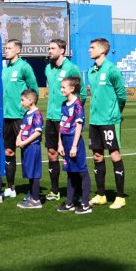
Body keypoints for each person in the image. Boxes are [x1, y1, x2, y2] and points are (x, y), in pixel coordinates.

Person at [86, 37, 127, 209]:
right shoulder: (91, 71)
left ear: (102, 50)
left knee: (115, 155)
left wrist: (114, 113)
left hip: (109, 120)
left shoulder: (112, 69)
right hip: (94, 120)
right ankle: (101, 194)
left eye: (92, 47)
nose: (89, 50)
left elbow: (121, 95)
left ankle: (120, 197)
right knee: (97, 156)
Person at [1, 39, 38, 199]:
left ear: (17, 50)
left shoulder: (24, 67)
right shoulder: (5, 68)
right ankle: (10, 187)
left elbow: (34, 89)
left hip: (21, 117)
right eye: (5, 48)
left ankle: (32, 189)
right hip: (7, 116)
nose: (6, 50)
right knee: (9, 152)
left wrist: (29, 111)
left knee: (26, 153)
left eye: (9, 48)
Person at [43, 39, 81, 201]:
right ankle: (55, 190)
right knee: (52, 153)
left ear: (62, 50)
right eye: (49, 48)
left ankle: (76, 192)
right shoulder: (48, 68)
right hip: (51, 117)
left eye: (52, 48)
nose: (49, 51)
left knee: (69, 155)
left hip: (67, 119)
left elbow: (82, 94)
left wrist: (72, 114)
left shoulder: (72, 68)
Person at [57, 76, 92, 215]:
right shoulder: (64, 105)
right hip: (65, 141)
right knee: (70, 172)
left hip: (73, 141)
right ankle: (70, 202)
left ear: (72, 89)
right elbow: (62, 124)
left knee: (82, 171)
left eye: (63, 87)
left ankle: (85, 203)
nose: (61, 89)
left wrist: (74, 146)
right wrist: (60, 143)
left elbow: (78, 126)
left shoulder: (77, 106)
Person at [15, 89, 44, 209]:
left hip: (32, 147)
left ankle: (36, 200)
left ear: (31, 100)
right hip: (25, 147)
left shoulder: (37, 114)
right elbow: (23, 128)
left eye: (23, 100)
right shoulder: (26, 114)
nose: (21, 102)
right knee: (29, 172)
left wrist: (24, 142)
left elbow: (37, 133)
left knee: (34, 173)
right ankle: (31, 195)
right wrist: (18, 138)